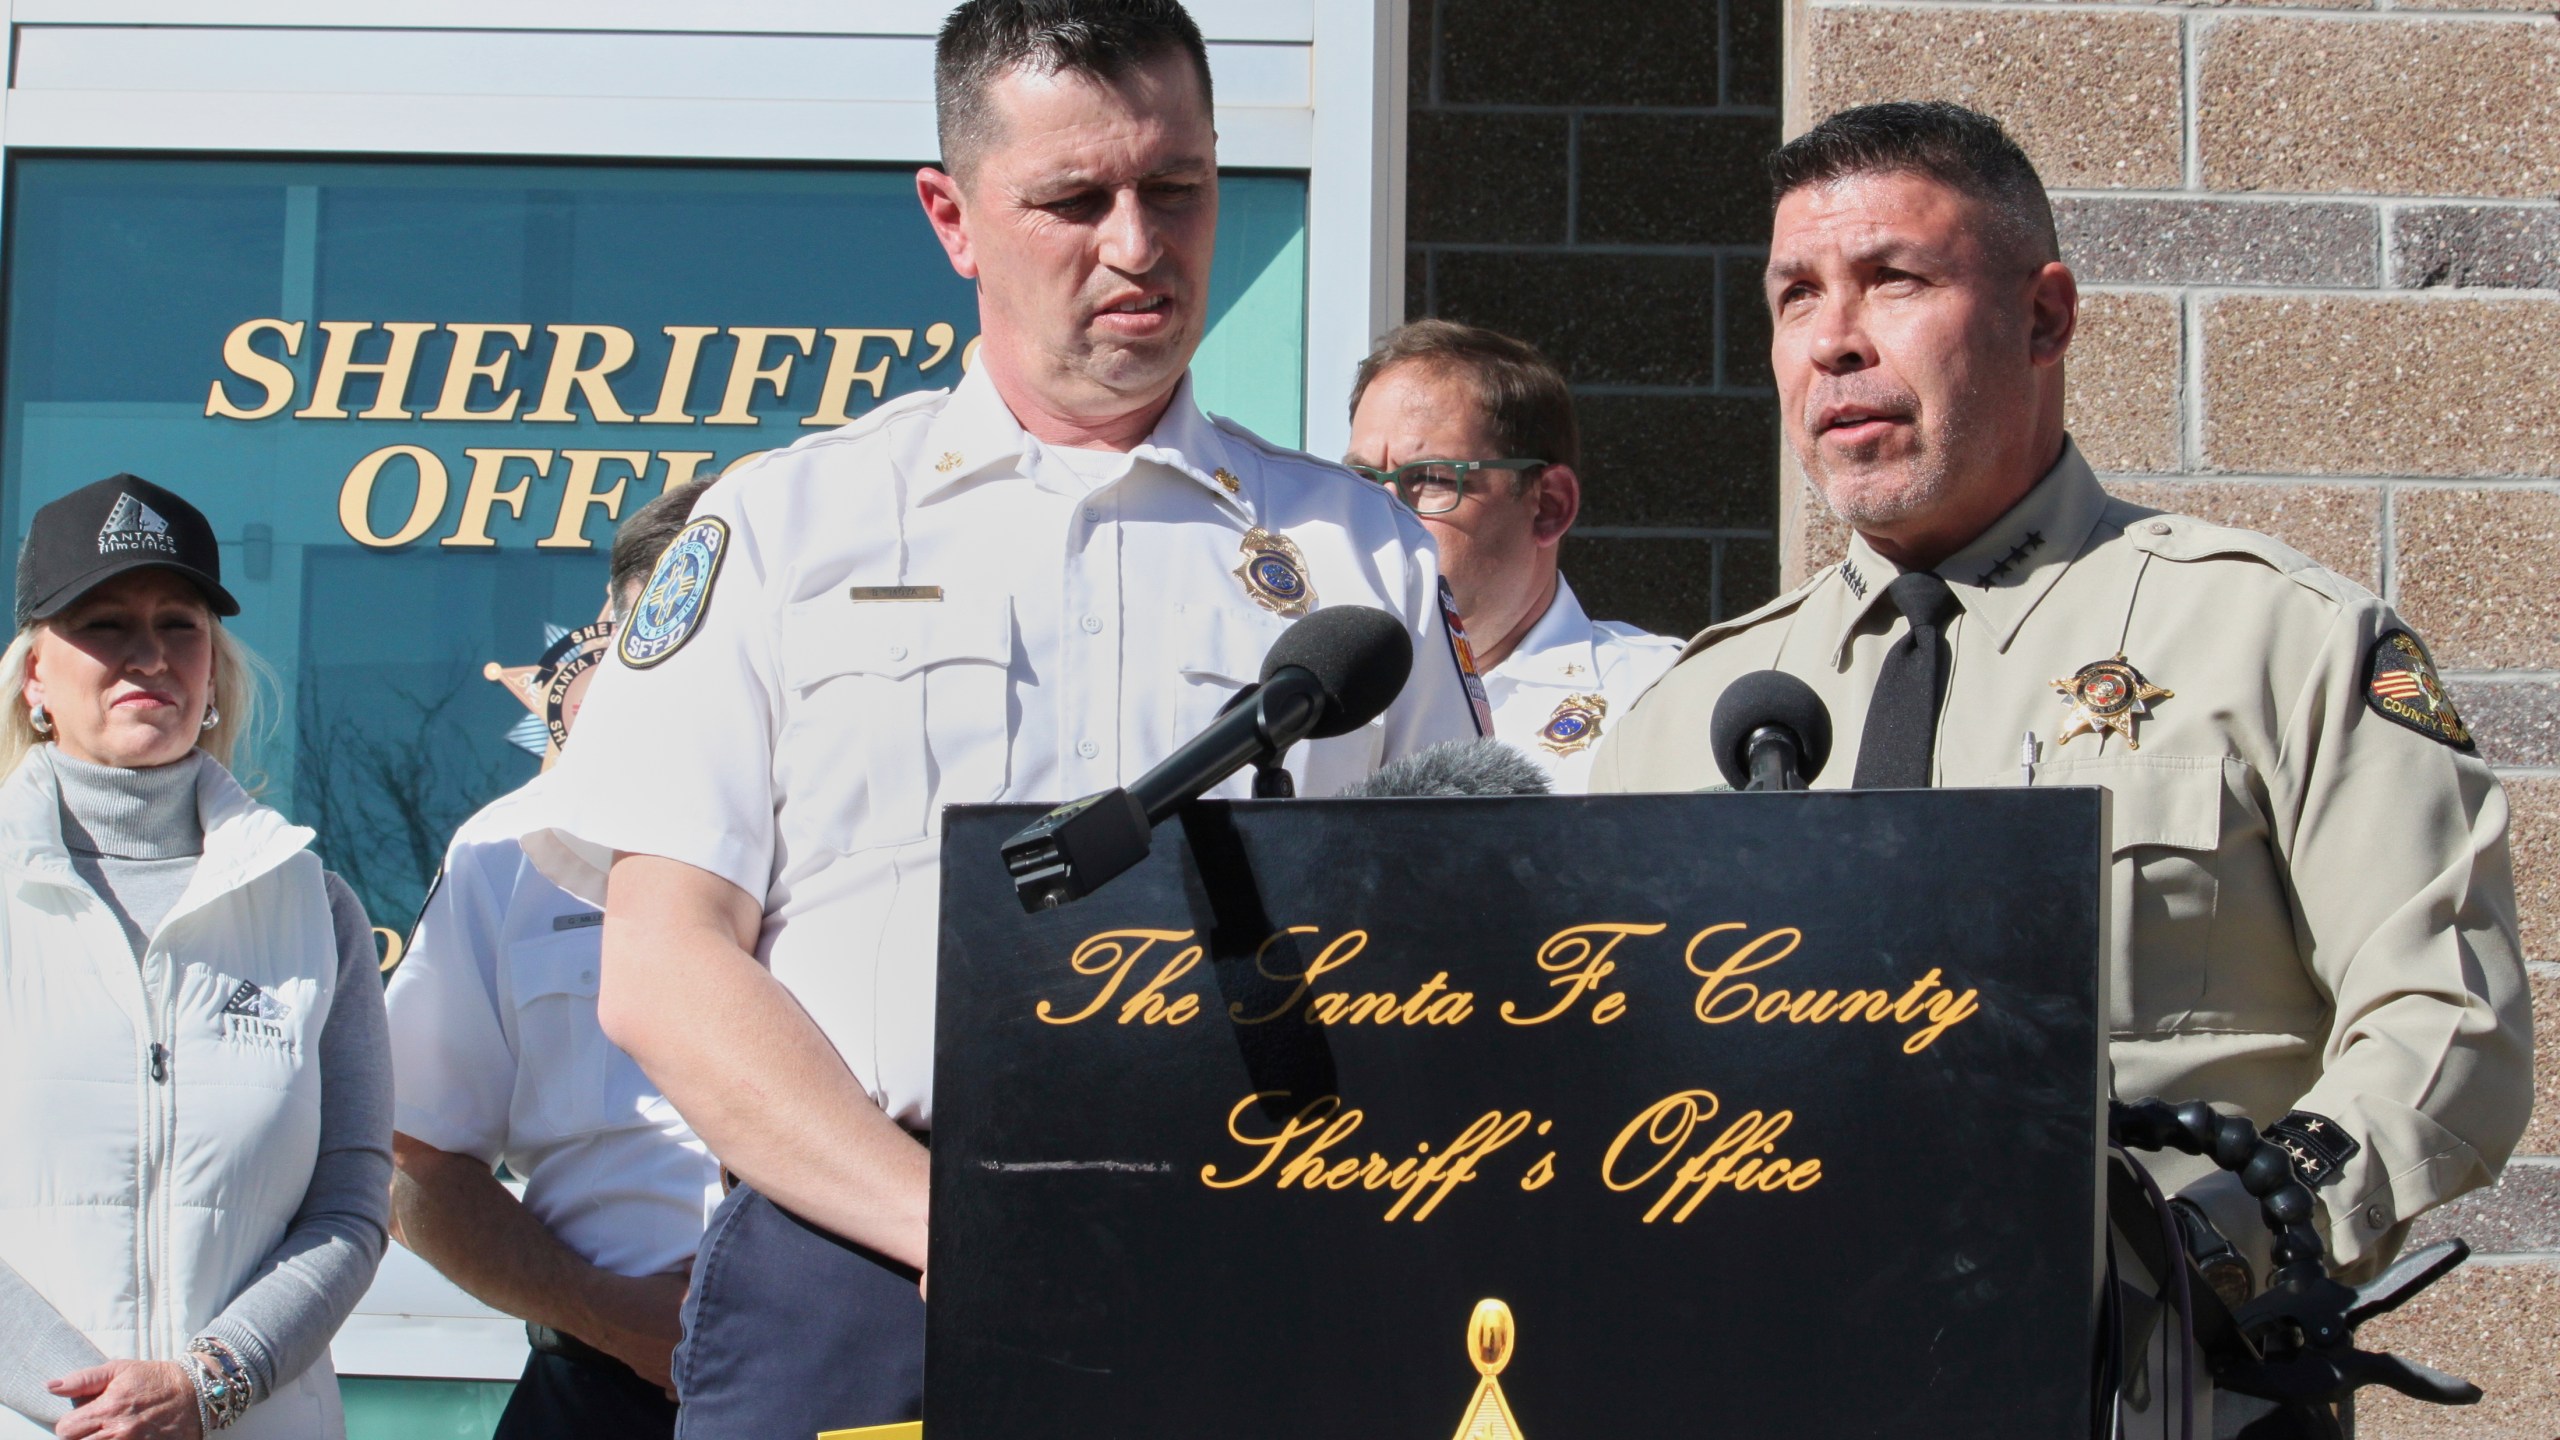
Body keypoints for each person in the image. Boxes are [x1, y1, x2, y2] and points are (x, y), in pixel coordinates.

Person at [522, 2, 1487, 1433]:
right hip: (866, 1268)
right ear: (953, 216)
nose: (1138, 244)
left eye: (1177, 189)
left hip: (1262, 1263)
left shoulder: (1361, 556)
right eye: (1073, 199)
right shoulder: (790, 527)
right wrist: (955, 1230)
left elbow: (1467, 943)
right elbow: (663, 970)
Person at [1590, 101, 2531, 1432]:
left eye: (1895, 281)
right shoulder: (1686, 710)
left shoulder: (2278, 639)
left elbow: (2450, 1024)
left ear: (2045, 319)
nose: (1834, 340)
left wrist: (2213, 1243)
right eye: (1796, 295)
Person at [0, 475, 391, 1439]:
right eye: (103, 623)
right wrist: (90, 1410)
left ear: (213, 667)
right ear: (35, 675)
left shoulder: (313, 906)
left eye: (179, 623)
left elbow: (350, 1202)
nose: (148, 656)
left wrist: (209, 1385)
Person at [384, 478, 720, 1440]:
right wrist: (612, 1316)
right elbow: (424, 1169)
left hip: (853, 1384)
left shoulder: (873, 846)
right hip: (595, 1395)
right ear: (620, 631)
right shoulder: (508, 852)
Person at [1347, 320, 1681, 791]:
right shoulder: (1310, 704)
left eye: (1432, 479)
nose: (1382, 512)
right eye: (1361, 482)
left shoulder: (1656, 697)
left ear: (1548, 506)